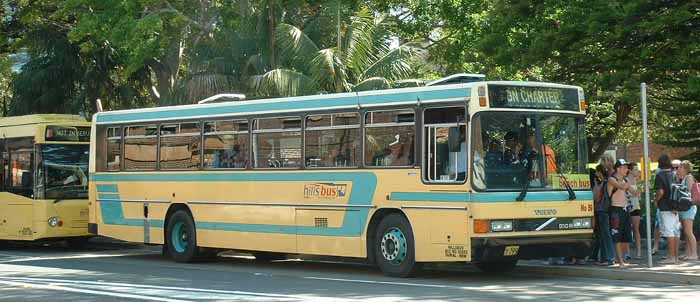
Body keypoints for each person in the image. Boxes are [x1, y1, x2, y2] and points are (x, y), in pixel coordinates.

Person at [655, 154, 682, 264]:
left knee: (669, 231)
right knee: (676, 231)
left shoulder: (660, 175)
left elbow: (660, 192)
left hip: (665, 206)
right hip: (675, 206)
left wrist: (656, 200)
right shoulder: (674, 174)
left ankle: (670, 257)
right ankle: (675, 257)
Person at [608, 159, 633, 267]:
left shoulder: (625, 180)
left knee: (624, 236)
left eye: (627, 167)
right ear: (618, 169)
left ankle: (621, 259)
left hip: (625, 210)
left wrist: (643, 187)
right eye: (624, 167)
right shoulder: (611, 179)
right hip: (616, 210)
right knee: (617, 236)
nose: (627, 169)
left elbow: (634, 192)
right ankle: (619, 261)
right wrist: (631, 180)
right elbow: (621, 187)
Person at [677, 160, 698, 261]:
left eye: (681, 167)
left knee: (689, 231)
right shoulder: (683, 178)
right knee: (686, 232)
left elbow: (688, 192)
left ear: (686, 169)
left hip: (688, 207)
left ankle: (694, 254)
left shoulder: (689, 177)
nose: (679, 169)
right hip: (684, 207)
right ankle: (688, 253)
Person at [627, 163, 643, 260]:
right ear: (630, 170)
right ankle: (627, 252)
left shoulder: (636, 180)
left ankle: (639, 252)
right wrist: (643, 187)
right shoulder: (626, 180)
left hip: (636, 206)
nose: (637, 171)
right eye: (636, 169)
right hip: (628, 206)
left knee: (636, 229)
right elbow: (635, 193)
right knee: (627, 229)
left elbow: (637, 195)